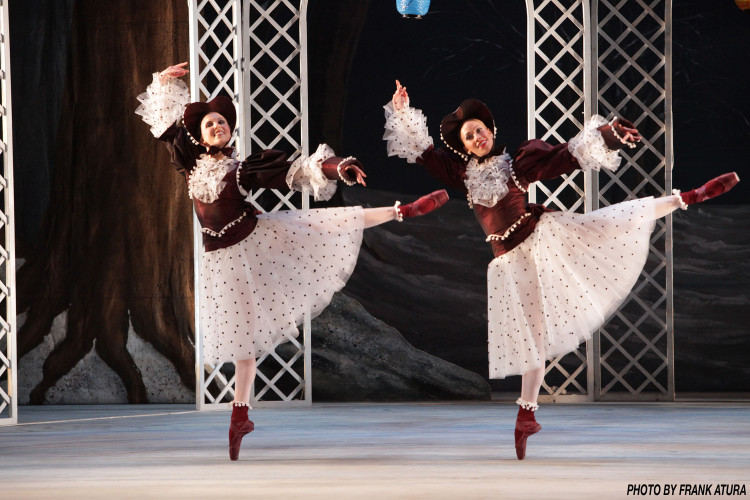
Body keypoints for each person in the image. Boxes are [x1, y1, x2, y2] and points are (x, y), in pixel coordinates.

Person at [384, 80, 739, 460]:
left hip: (543, 238)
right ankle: (526, 415)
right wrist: (402, 110)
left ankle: (685, 197)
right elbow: (423, 153)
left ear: (491, 132)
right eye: (470, 136)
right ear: (465, 146)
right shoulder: (462, 176)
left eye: (480, 130)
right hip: (510, 262)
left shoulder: (515, 163)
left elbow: (565, 155)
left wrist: (608, 133)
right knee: (532, 337)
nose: (477, 137)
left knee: (606, 224)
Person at [136, 64, 448, 461]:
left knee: (327, 224)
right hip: (221, 261)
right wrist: (163, 81)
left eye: (222, 123)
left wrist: (338, 167)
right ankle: (240, 415)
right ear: (197, 135)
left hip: (256, 242)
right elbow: (165, 127)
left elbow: (293, 171)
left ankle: (400, 211)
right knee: (241, 340)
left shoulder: (242, 169)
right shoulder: (189, 164)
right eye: (210, 124)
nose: (217, 127)